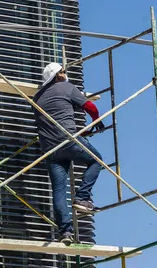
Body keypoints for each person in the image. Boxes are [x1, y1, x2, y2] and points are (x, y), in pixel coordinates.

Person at [33, 62, 106, 246]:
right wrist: (96, 120)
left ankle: (65, 232)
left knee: (59, 190)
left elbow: (53, 118)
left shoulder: (37, 98)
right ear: (58, 75)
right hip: (68, 140)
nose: (66, 74)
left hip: (50, 150)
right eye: (63, 71)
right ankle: (82, 197)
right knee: (97, 161)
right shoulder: (66, 87)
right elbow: (90, 107)